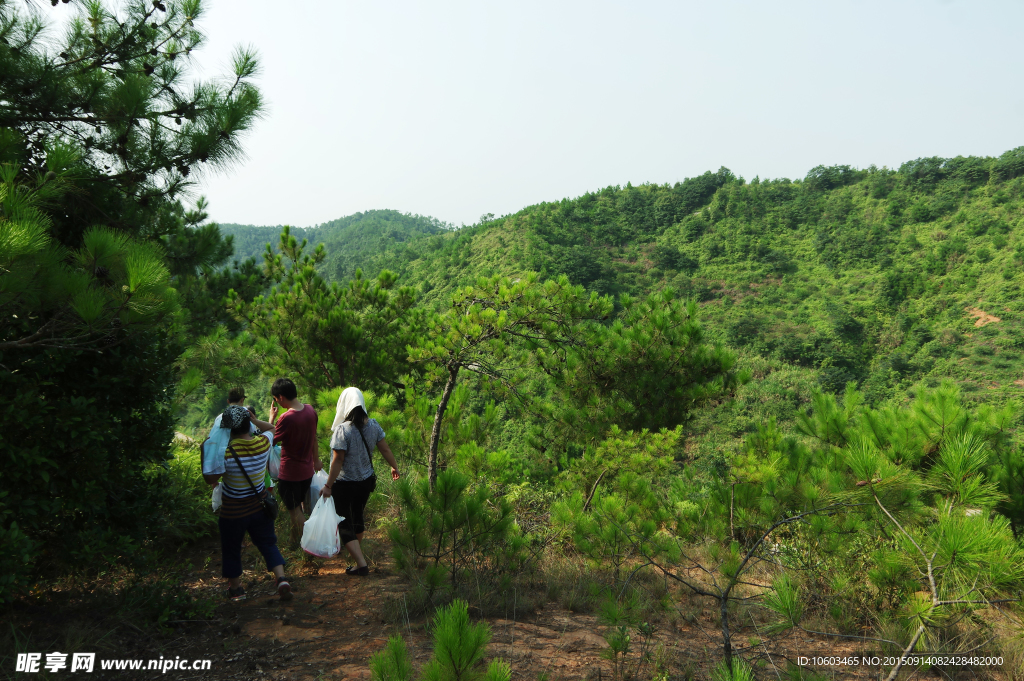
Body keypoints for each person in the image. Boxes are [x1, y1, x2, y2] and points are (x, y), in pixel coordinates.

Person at [202, 405, 292, 601]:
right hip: (260, 506)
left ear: (228, 429)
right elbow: (272, 428)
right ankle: (281, 578)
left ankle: (236, 590)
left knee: (232, 548)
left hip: (233, 512)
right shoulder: (263, 443)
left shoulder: (225, 453)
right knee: (268, 543)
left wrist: (206, 451)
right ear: (248, 424)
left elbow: (210, 479)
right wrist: (254, 420)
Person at [321, 387, 400, 576]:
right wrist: (394, 466)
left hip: (344, 484)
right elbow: (385, 449)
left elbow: (338, 460)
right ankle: (357, 558)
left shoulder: (342, 430)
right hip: (365, 482)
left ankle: (361, 563)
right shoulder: (373, 425)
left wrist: (328, 485)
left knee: (343, 522)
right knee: (357, 517)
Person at [270, 378, 321, 546]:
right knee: (297, 507)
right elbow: (314, 438)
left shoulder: (286, 418)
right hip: (307, 472)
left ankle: (311, 543)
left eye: (276, 398)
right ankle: (294, 542)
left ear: (281, 397)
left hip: (290, 474)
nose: (277, 402)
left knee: (294, 511)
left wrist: (271, 419)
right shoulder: (310, 410)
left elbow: (269, 440)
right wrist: (316, 460)